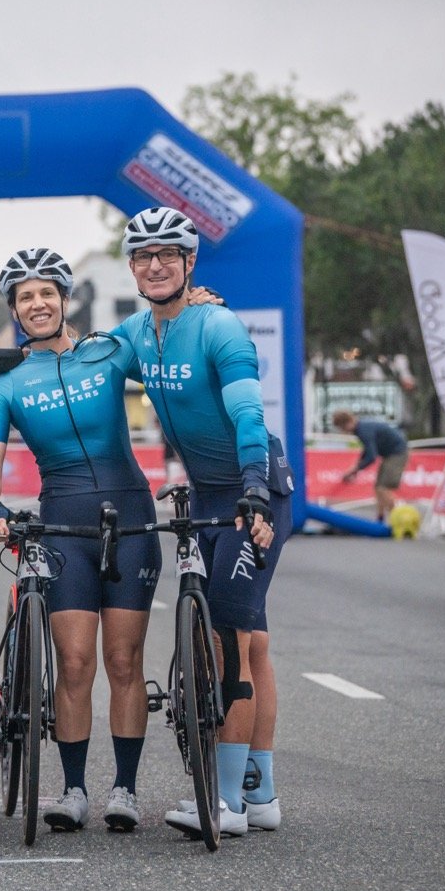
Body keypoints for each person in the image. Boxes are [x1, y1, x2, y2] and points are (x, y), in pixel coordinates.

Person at [110, 206, 293, 837]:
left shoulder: (220, 327)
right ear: (132, 267)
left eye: (168, 254)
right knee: (253, 642)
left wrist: (254, 493)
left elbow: (248, 413)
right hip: (209, 493)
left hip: (253, 488)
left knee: (228, 642)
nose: (155, 265)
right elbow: (78, 358)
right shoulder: (138, 332)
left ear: (190, 263)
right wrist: (9, 356)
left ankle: (226, 805)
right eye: (143, 256)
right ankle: (261, 792)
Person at [0, 248, 162, 834]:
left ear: (64, 300)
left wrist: (197, 303)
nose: (37, 304)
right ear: (14, 309)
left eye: (46, 293)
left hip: (130, 518)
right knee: (75, 663)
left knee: (124, 660)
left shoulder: (109, 353)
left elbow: (167, 336)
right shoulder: (6, 383)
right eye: (25, 297)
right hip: (63, 526)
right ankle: (74, 787)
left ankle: (126, 790)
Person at [332, 409, 409, 522]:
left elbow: (371, 456)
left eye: (343, 429)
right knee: (378, 487)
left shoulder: (363, 430)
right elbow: (367, 451)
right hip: (390, 454)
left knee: (383, 488)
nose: (345, 432)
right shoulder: (362, 427)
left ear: (347, 423)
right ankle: (380, 517)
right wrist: (356, 468)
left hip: (397, 454)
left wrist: (355, 469)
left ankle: (400, 518)